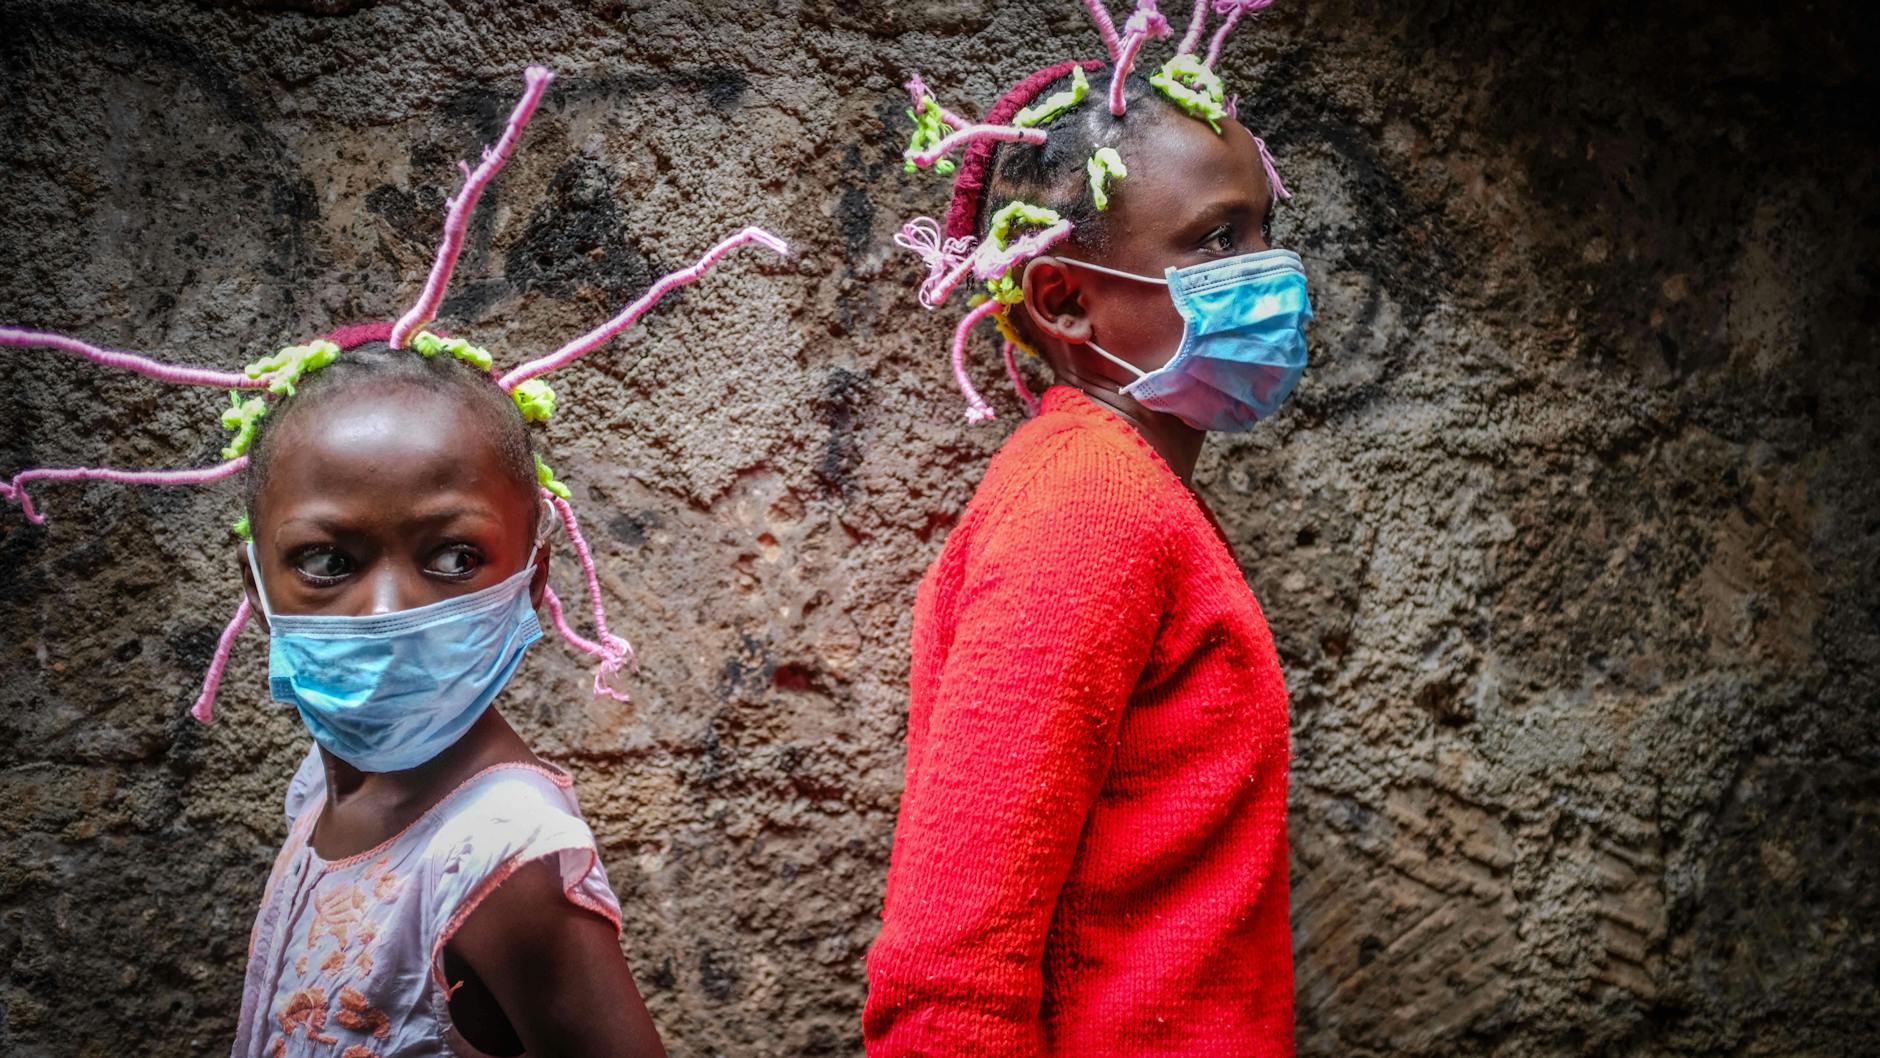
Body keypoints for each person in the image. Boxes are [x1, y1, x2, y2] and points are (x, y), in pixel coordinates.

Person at [0, 65, 786, 1057]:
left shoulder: (507, 857)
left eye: (454, 555)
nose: (384, 610)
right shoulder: (325, 786)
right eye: (326, 561)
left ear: (531, 581)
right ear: (257, 590)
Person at [865, 1, 1308, 1054]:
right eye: (1215, 241)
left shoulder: (1122, 488)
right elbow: (948, 975)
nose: (1270, 273)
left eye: (1260, 230)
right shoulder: (1088, 505)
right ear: (1062, 301)